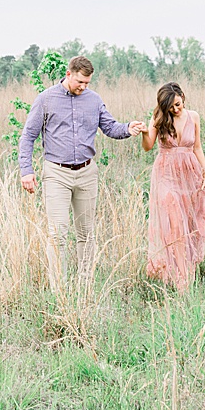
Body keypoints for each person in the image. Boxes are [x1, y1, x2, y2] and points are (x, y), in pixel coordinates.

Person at [17, 55, 143, 279]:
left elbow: (110, 127)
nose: (83, 87)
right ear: (68, 74)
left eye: (87, 83)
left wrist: (128, 128)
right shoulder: (46, 99)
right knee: (58, 234)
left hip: (86, 173)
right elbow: (28, 136)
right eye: (79, 82)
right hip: (56, 173)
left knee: (86, 233)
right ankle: (60, 290)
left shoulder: (93, 100)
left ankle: (85, 284)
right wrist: (26, 171)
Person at [139, 81, 205, 290]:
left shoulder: (194, 117)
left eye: (178, 104)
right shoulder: (159, 118)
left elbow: (197, 147)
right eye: (171, 107)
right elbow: (147, 147)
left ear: (182, 97)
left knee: (190, 223)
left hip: (190, 173)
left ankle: (185, 269)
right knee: (175, 223)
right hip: (166, 174)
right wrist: (145, 131)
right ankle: (181, 279)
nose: (176, 110)